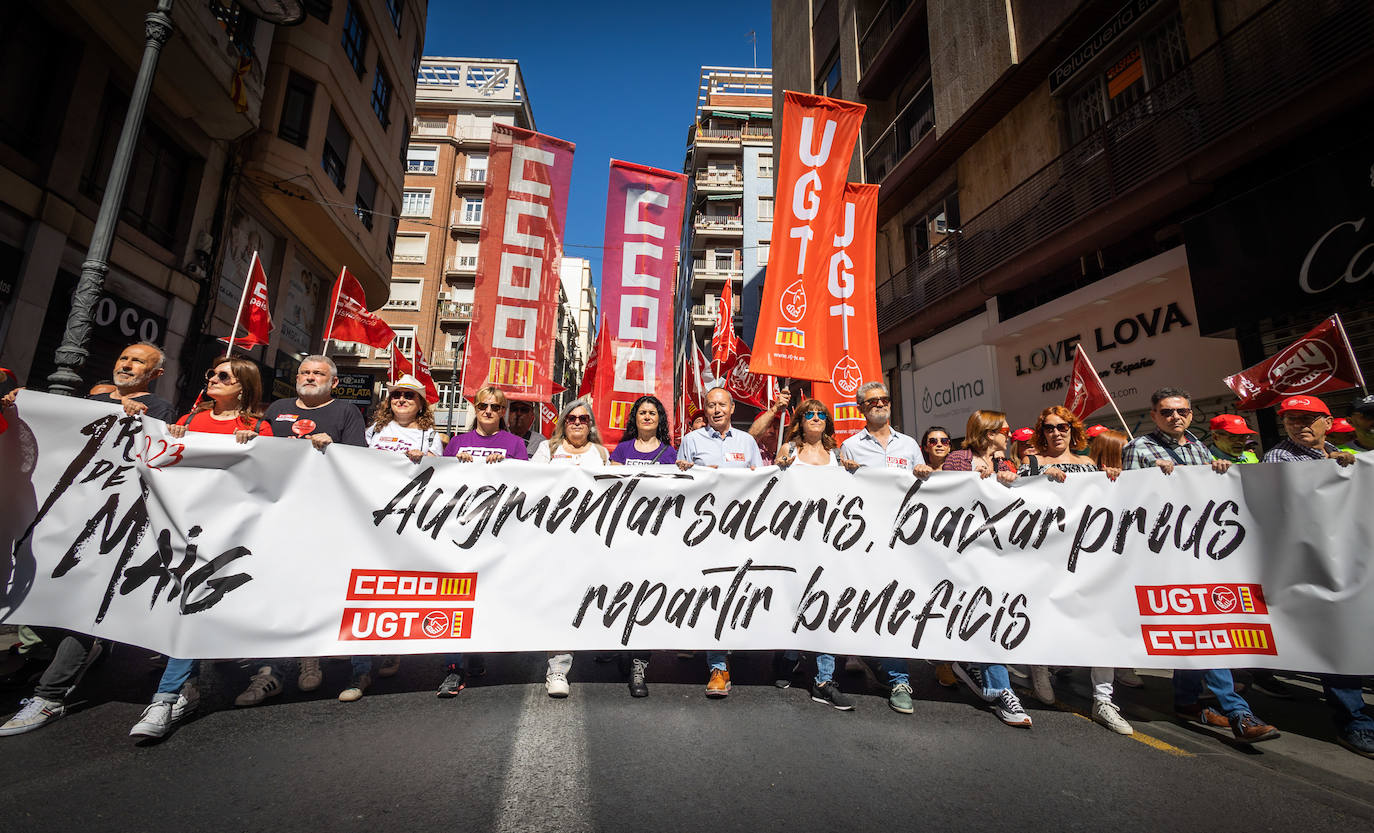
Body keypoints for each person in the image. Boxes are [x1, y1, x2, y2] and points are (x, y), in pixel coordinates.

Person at [1, 356, 272, 738]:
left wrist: (260, 446)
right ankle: (61, 691)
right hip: (158, 526)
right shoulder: (189, 420)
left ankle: (166, 697)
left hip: (215, 534)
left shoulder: (260, 428)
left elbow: (274, 479)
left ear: (243, 385)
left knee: (186, 607)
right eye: (211, 372)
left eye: (223, 376)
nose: (212, 378)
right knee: (91, 599)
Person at [1122, 387, 1278, 744]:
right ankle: (1237, 710)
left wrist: (1219, 469)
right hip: (1164, 554)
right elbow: (1129, 506)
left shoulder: (1198, 447)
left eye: (1181, 411)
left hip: (1203, 551)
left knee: (1197, 627)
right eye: (1166, 412)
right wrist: (1151, 478)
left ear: (1191, 414)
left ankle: (1188, 702)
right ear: (1154, 415)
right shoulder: (1139, 449)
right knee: (1202, 628)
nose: (1175, 417)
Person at [235, 355, 368, 708]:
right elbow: (256, 451)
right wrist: (248, 438)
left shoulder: (346, 413)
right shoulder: (277, 408)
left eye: (318, 373)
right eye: (305, 372)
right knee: (271, 592)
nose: (309, 377)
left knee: (309, 589)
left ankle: (309, 656)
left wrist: (335, 448)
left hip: (322, 517)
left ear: (334, 382)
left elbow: (362, 463)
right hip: (273, 515)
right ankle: (269, 672)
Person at [1260, 395, 1369, 758]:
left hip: (1356, 559)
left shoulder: (1344, 454)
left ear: (1329, 422)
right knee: (1337, 640)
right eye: (1292, 419)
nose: (1299, 425)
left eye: (1308, 418)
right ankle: (1354, 723)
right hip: (1315, 565)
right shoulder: (1279, 458)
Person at [1014, 406, 1131, 735]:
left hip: (1087, 554)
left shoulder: (1089, 465)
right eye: (1049, 428)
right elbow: (1016, 504)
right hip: (1047, 555)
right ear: (1042, 433)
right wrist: (1037, 480)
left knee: (1100, 622)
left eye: (1062, 427)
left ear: (1072, 429)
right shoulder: (1032, 463)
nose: (1056, 433)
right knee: (1047, 615)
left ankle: (1104, 699)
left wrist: (1114, 481)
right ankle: (1039, 663)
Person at [345, 375, 449, 702]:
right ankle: (360, 667)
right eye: (396, 396)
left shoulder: (430, 435)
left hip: (407, 521)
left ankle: (391, 649)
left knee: (397, 586)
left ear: (421, 404)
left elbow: (439, 475)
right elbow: (353, 460)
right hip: (370, 518)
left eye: (409, 396)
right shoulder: (373, 432)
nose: (401, 400)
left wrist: (431, 461)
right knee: (363, 588)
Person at [836, 382, 934, 715]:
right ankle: (859, 649)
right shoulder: (849, 446)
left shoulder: (908, 445)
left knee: (896, 604)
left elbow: (926, 488)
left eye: (884, 400)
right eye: (872, 402)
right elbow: (840, 494)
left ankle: (899, 679)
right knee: (862, 598)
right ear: (861, 408)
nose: (879, 405)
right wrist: (844, 474)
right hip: (863, 539)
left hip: (902, 539)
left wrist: (923, 472)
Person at [436, 385, 529, 697]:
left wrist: (507, 467)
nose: (488, 411)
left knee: (485, 595)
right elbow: (440, 484)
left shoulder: (515, 444)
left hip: (496, 534)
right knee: (455, 596)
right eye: (483, 406)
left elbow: (527, 486)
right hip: (458, 532)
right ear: (475, 408)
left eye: (495, 407)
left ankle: (475, 650)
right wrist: (454, 463)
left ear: (502, 412)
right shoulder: (458, 443)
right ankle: (453, 668)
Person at [942, 410, 1032, 728]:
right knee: (984, 617)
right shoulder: (957, 459)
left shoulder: (1007, 465)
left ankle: (972, 666)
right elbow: (945, 498)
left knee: (991, 618)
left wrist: (1011, 480)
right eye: (1004, 430)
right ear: (988, 432)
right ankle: (1001, 690)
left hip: (999, 553)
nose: (1008, 435)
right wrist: (969, 480)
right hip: (965, 551)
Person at [678, 386, 763, 698]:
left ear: (731, 409)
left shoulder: (747, 442)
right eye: (710, 405)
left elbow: (760, 482)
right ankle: (718, 667)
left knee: (738, 592)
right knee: (714, 593)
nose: (716, 410)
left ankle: (732, 649)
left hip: (741, 531)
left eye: (721, 405)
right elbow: (679, 487)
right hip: (705, 531)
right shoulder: (691, 441)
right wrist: (686, 472)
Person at [774, 399, 852, 711]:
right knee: (798, 602)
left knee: (825, 604)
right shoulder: (788, 450)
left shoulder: (838, 454)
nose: (816, 418)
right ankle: (790, 656)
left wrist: (854, 473)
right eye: (810, 414)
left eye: (822, 414)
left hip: (830, 542)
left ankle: (823, 679)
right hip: (796, 540)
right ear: (800, 421)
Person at [534, 399, 608, 697]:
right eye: (571, 418)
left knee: (589, 600)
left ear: (590, 425)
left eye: (583, 419)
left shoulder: (601, 454)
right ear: (563, 422)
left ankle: (603, 648)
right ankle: (558, 668)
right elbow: (529, 486)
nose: (577, 423)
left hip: (590, 541)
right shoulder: (547, 451)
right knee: (560, 602)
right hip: (554, 539)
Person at [608, 394, 677, 697]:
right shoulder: (621, 450)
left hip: (655, 539)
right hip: (623, 537)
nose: (647, 417)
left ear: (660, 419)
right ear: (634, 418)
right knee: (620, 595)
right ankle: (621, 650)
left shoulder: (670, 453)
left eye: (653, 413)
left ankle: (639, 664)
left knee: (645, 600)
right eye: (642, 413)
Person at [88, 342, 178, 421]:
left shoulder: (160, 408)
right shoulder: (93, 401)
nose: (126, 365)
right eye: (123, 358)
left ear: (155, 373)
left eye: (138, 361)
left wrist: (141, 418)